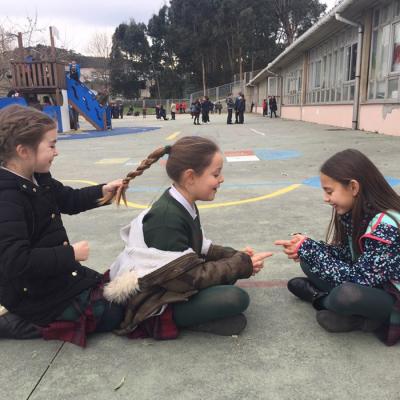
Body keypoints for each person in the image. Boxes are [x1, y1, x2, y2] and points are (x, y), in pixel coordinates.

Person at [102, 136, 272, 337]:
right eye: (216, 174)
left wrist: (237, 256)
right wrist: (240, 265)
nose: (222, 179)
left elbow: (200, 248)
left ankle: (200, 315)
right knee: (235, 298)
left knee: (230, 273)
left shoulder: (182, 201)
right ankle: (173, 319)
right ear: (190, 177)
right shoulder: (166, 218)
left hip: (172, 282)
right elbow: (185, 278)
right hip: (151, 301)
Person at [0, 105, 125, 345]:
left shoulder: (37, 178)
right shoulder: (7, 198)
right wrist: (70, 254)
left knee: (114, 293)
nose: (56, 152)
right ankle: (21, 323)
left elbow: (68, 199)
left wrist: (103, 191)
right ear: (23, 151)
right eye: (52, 145)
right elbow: (15, 261)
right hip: (33, 295)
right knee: (112, 313)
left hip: (55, 278)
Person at [275, 149, 400, 345]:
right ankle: (354, 316)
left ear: (353, 187)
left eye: (329, 191)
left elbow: (361, 280)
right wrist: (308, 247)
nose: (325, 198)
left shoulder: (385, 224)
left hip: (392, 298)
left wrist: (311, 250)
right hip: (373, 285)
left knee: (347, 294)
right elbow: (347, 254)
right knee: (308, 261)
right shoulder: (355, 212)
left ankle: (321, 299)